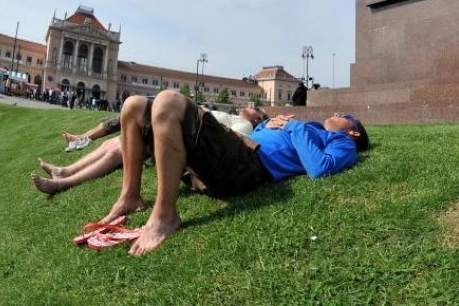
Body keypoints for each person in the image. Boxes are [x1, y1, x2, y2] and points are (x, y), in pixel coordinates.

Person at [97, 91, 368, 255]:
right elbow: (263, 138)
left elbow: (319, 169)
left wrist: (292, 127)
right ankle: (130, 196)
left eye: (344, 114)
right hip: (236, 151)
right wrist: (267, 126)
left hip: (248, 165)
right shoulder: (315, 129)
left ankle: (165, 216)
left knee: (168, 100)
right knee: (132, 105)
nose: (336, 112)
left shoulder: (341, 141)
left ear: (353, 131)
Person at [31, 106, 267, 195]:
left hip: (184, 138)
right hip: (179, 128)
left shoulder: (243, 124)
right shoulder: (234, 115)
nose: (249, 106)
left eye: (255, 108)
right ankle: (65, 171)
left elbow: (218, 140)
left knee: (120, 149)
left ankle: (64, 183)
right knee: (114, 142)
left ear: (257, 118)